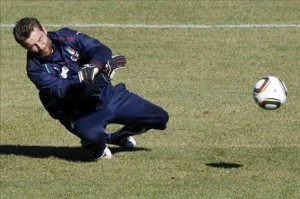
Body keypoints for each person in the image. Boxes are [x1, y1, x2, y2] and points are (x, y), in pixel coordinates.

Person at [13, 17, 169, 160]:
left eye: (40, 39)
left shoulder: (67, 36)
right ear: (24, 47)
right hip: (79, 113)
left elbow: (101, 50)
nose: (40, 46)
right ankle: (95, 147)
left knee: (160, 117)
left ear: (45, 30)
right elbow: (70, 93)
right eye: (32, 46)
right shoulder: (35, 70)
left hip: (108, 97)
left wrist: (94, 66)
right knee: (98, 146)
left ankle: (118, 137)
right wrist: (103, 77)